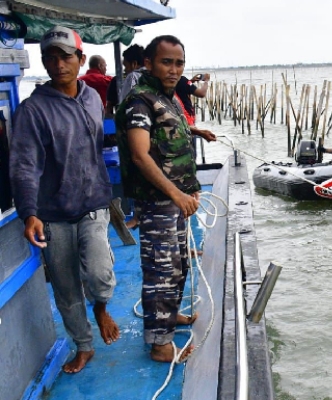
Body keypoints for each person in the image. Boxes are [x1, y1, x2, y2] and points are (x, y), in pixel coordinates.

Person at [9, 26, 119, 373]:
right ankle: (84, 345)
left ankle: (101, 307)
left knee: (100, 273)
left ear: (80, 59)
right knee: (67, 288)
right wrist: (29, 213)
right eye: (50, 58)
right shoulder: (33, 110)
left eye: (65, 56)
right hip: (53, 213)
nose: (58, 64)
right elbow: (24, 165)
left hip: (94, 205)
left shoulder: (91, 96)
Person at [116, 35, 215, 363]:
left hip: (176, 200)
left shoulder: (167, 97)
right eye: (166, 62)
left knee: (178, 265)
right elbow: (141, 155)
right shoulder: (140, 101)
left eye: (179, 63)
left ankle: (169, 318)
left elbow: (173, 142)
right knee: (161, 270)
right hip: (158, 202)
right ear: (149, 63)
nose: (174, 69)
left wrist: (190, 187)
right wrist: (175, 193)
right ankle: (160, 344)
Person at [106, 44, 144, 116]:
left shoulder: (132, 77)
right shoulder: (157, 77)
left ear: (134, 64)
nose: (125, 70)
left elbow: (124, 105)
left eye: (126, 66)